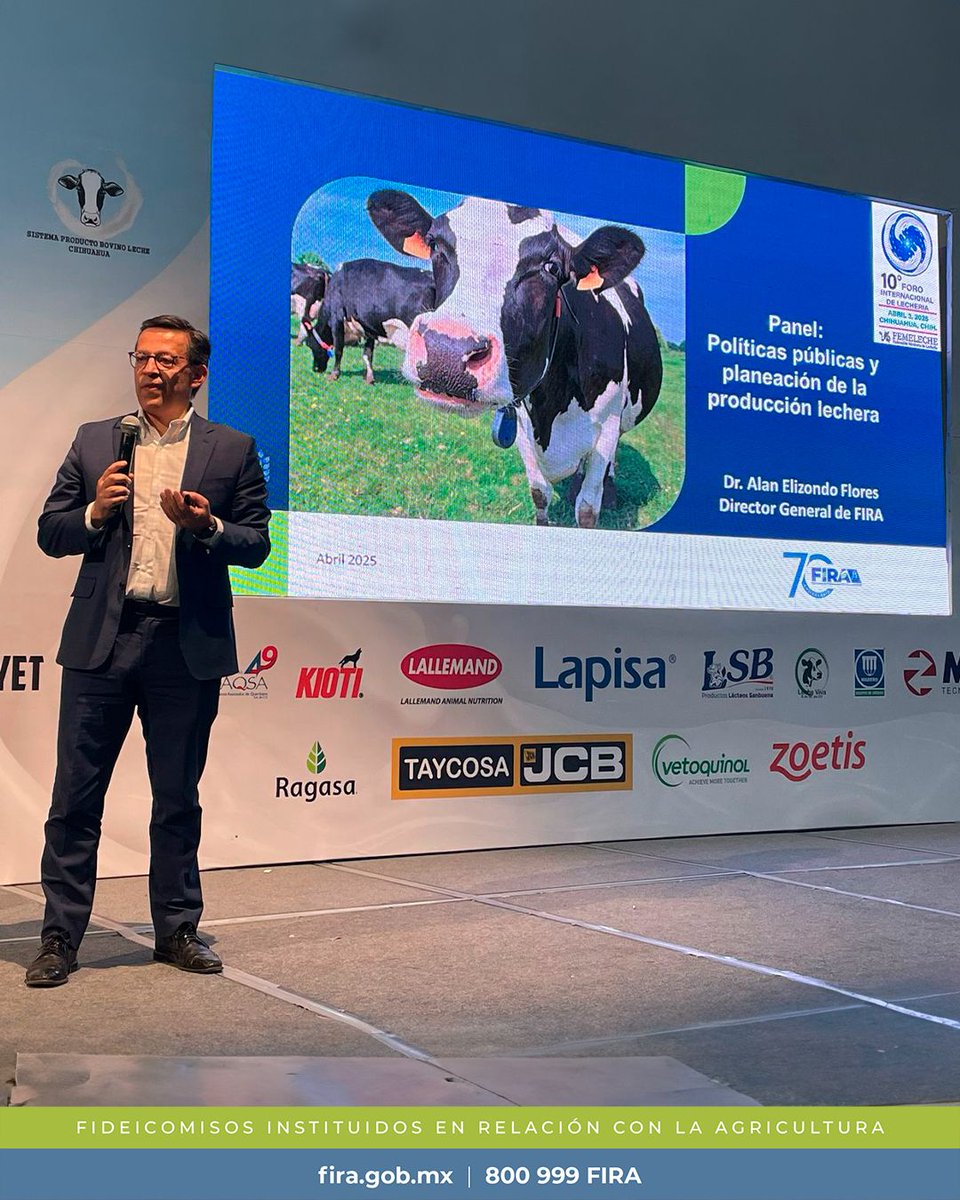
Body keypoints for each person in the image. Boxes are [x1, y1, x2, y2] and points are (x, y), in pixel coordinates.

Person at [25, 314, 271, 987]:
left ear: (196, 373)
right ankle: (58, 936)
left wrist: (208, 525)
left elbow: (256, 544)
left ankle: (177, 931)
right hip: (102, 642)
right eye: (142, 357)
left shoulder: (232, 449)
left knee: (176, 797)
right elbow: (52, 532)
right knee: (75, 797)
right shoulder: (95, 441)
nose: (150, 370)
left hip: (182, 647)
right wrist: (95, 513)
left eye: (166, 360)